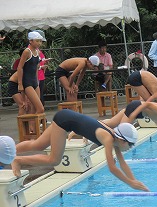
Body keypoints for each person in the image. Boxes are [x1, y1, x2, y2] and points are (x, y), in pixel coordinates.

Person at [11, 109, 149, 192]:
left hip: (67, 117)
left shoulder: (116, 139)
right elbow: (112, 168)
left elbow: (122, 163)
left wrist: (135, 181)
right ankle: (18, 160)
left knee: (39, 145)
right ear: (123, 140)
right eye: (130, 145)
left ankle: (8, 152)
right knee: (54, 159)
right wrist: (130, 183)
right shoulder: (108, 139)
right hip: (64, 122)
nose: (129, 148)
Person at [17, 31, 44, 114]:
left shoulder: (38, 52)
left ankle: (32, 127)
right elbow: (20, 67)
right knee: (40, 109)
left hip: (34, 81)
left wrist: (37, 81)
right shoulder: (27, 52)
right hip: (27, 82)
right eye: (37, 41)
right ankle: (31, 126)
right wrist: (20, 84)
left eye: (40, 41)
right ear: (30, 41)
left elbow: (36, 67)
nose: (39, 43)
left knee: (34, 108)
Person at [34, 30, 51, 106]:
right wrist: (41, 67)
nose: (40, 43)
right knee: (37, 96)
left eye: (41, 41)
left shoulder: (38, 50)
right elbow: (31, 64)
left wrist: (45, 61)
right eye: (39, 41)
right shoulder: (30, 51)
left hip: (41, 75)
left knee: (40, 94)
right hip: (35, 75)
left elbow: (40, 60)